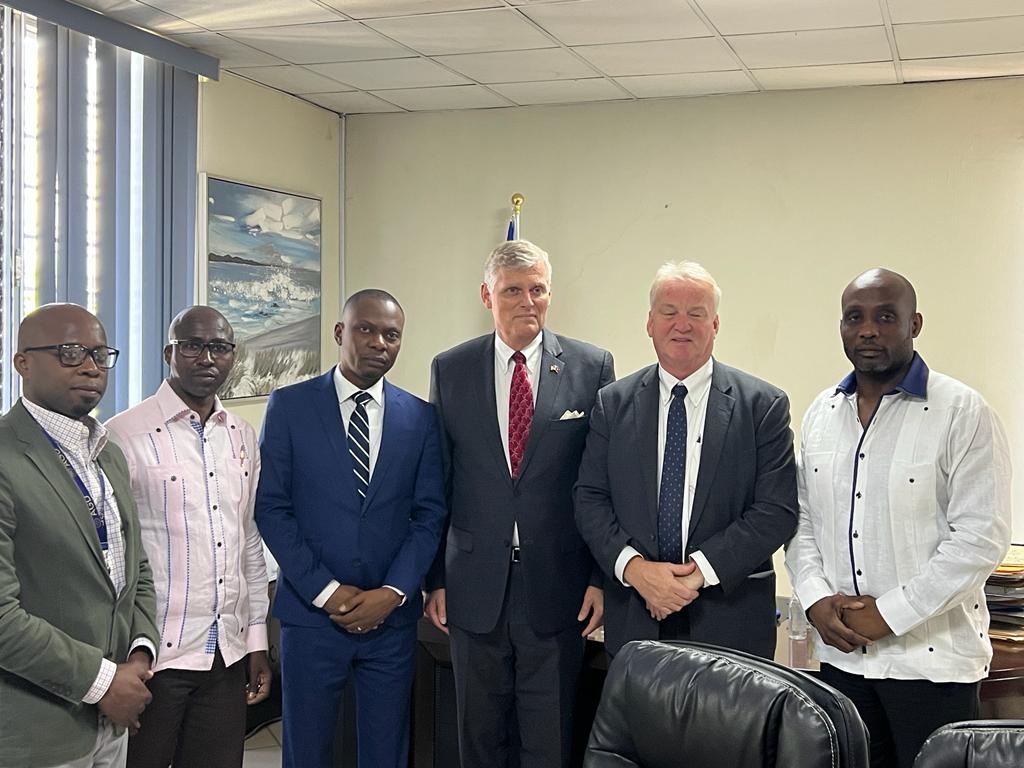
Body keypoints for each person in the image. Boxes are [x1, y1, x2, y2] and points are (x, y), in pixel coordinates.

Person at [785, 268, 1012, 768]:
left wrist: (890, 614)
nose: (868, 329)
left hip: (932, 667)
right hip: (841, 658)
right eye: (854, 318)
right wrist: (816, 598)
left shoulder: (962, 411)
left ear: (916, 324)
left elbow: (979, 539)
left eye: (886, 316)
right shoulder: (822, 412)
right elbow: (801, 521)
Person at [425, 240, 614, 768]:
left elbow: (601, 483)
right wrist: (435, 579)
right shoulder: (451, 368)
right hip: (472, 589)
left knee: (549, 740)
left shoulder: (591, 366)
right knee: (479, 740)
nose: (527, 301)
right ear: (488, 295)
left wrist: (600, 577)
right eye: (513, 290)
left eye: (537, 289)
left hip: (558, 590)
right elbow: (440, 482)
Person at [256, 289, 446, 768]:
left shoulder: (420, 418)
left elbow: (428, 516)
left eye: (391, 334)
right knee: (307, 750)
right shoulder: (290, 407)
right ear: (340, 333)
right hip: (311, 616)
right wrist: (326, 591)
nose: (379, 342)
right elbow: (272, 509)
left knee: (386, 750)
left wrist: (396, 591)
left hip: (391, 621)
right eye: (366, 329)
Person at [574, 261, 798, 657]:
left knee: (725, 724)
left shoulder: (763, 406)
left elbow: (775, 511)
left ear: (715, 325)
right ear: (649, 323)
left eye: (697, 313)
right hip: (636, 618)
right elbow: (590, 499)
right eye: (669, 312)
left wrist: (695, 575)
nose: (683, 324)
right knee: (639, 723)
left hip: (730, 620)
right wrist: (635, 570)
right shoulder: (613, 404)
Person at [106, 306, 270, 768]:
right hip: (155, 658)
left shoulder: (241, 435)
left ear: (232, 357)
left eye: (219, 347)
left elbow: (248, 541)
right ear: (168, 353)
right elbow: (113, 555)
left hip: (225, 654)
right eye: (193, 346)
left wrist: (256, 639)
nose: (207, 358)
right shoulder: (123, 435)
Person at [0, 303, 158, 768]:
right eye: (69, 353)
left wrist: (140, 653)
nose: (90, 366)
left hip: (112, 724)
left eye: (98, 353)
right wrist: (103, 681)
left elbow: (136, 567)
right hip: (37, 727)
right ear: (22, 363)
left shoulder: (108, 455)